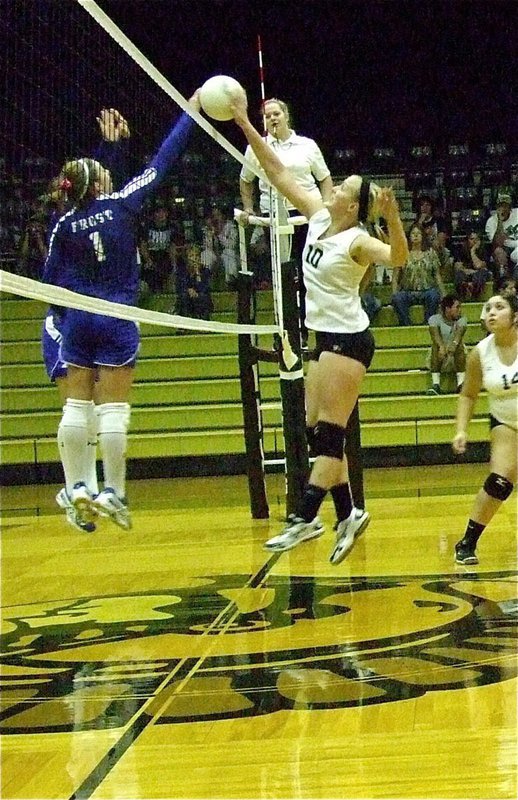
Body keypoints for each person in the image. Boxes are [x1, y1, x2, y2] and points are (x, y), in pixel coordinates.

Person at [229, 88, 409, 563]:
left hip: (349, 341)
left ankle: (304, 518)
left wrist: (392, 219)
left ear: (352, 205)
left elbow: (398, 259)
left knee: (329, 433)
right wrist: (245, 124)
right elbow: (277, 170)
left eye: (344, 189)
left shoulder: (358, 240)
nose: (335, 190)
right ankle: (348, 512)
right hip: (326, 337)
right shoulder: (317, 217)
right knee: (316, 430)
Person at [42, 90, 200, 530]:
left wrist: (66, 313)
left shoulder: (62, 223)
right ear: (99, 184)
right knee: (112, 409)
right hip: (116, 316)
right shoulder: (123, 203)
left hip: (76, 319)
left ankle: (76, 486)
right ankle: (112, 491)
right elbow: (162, 162)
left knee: (77, 407)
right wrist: (192, 111)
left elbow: (48, 280)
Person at [41, 109, 131, 534]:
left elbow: (93, 187)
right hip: (65, 324)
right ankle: (78, 490)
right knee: (86, 412)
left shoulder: (70, 219)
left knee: (89, 413)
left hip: (78, 317)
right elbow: (101, 191)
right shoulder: (91, 215)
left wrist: (113, 146)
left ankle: (83, 493)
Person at [239, 97, 333, 344]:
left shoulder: (307, 145)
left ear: (286, 115)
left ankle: (313, 330)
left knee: (309, 275)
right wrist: (249, 208)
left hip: (306, 217)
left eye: (276, 113)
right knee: (282, 277)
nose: (272, 118)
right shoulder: (256, 146)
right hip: (276, 220)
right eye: (267, 115)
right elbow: (245, 179)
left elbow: (324, 178)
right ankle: (287, 332)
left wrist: (325, 209)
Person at [452, 291, 517, 565]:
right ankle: (467, 542)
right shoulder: (480, 353)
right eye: (488, 307)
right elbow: (468, 395)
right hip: (506, 422)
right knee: (499, 483)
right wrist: (461, 430)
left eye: (499, 307)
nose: (491, 312)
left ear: (515, 316)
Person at [391, 223, 444, 325]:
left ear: (423, 236)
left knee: (434, 295)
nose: (415, 236)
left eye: (418, 234)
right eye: (413, 233)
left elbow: (437, 275)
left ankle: (428, 323)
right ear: (409, 236)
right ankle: (406, 325)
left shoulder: (431, 253)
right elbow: (395, 278)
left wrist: (443, 294)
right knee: (398, 298)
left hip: (427, 290)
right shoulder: (402, 254)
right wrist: (394, 293)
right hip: (407, 291)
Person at [426, 294, 467, 395]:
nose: (460, 310)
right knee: (436, 346)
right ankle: (436, 385)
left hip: (457, 358)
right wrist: (441, 347)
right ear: (448, 309)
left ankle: (461, 384)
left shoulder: (462, 320)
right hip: (439, 357)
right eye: (457, 307)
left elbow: (459, 335)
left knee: (459, 345)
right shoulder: (434, 319)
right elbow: (435, 336)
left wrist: (454, 344)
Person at [139, 203, 179, 294]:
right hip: (150, 256)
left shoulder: (172, 227)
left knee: (169, 273)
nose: (161, 215)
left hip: (164, 257)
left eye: (163, 212)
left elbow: (172, 247)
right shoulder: (147, 227)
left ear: (167, 214)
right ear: (154, 214)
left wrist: (174, 265)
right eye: (158, 212)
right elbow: (143, 246)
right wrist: (148, 260)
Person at [175, 242, 213, 320]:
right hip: (187, 298)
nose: (194, 259)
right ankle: (184, 325)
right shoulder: (182, 271)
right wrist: (188, 290)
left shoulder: (206, 271)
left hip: (200, 297)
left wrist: (198, 273)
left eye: (197, 256)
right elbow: (180, 286)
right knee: (183, 296)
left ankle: (203, 322)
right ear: (187, 258)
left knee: (203, 296)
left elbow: (205, 288)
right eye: (192, 256)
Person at [485, 191, 518, 276]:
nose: (503, 208)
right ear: (497, 207)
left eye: (505, 206)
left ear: (510, 208)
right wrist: (499, 221)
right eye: (500, 206)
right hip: (505, 248)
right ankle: (504, 279)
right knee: (498, 251)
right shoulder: (491, 222)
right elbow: (497, 243)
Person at [453, 230, 492, 300]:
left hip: (479, 275)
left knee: (480, 274)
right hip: (466, 274)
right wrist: (468, 271)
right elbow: (457, 267)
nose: (474, 241)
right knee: (459, 274)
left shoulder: (485, 251)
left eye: (476, 239)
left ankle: (475, 296)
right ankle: (463, 296)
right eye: (471, 239)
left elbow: (478, 266)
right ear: (467, 240)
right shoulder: (460, 250)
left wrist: (472, 251)